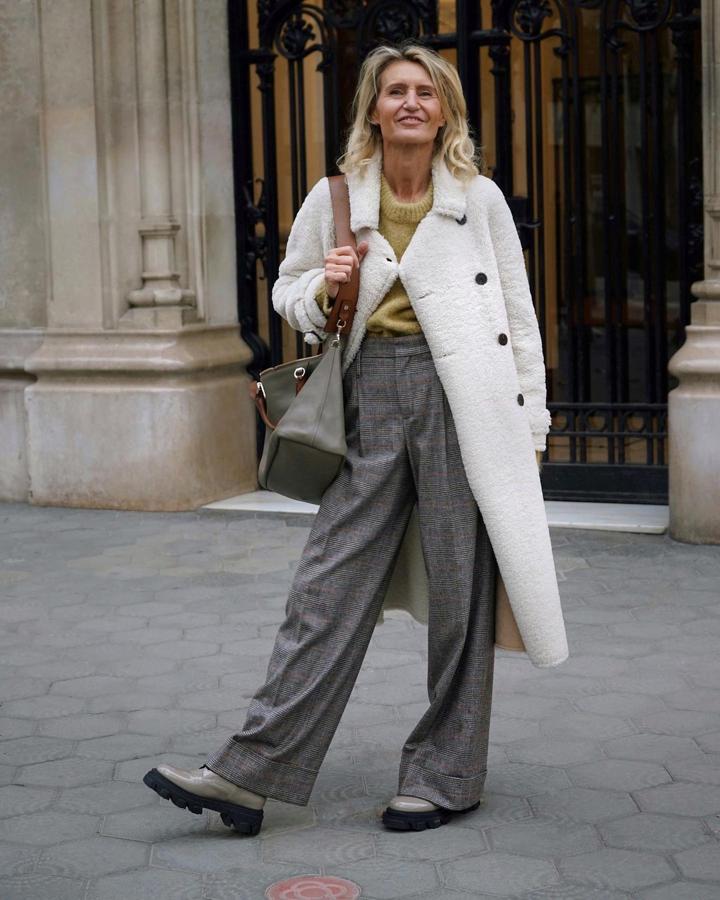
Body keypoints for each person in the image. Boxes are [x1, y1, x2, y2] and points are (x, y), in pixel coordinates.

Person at [143, 39, 568, 836]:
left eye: (425, 92)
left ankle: (444, 775)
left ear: (444, 110)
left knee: (460, 594)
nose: (411, 102)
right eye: (395, 90)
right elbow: (286, 291)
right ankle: (249, 772)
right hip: (371, 392)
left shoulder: (480, 200)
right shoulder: (335, 195)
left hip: (463, 401)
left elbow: (518, 316)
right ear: (374, 107)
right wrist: (324, 286)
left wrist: (531, 424)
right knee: (326, 588)